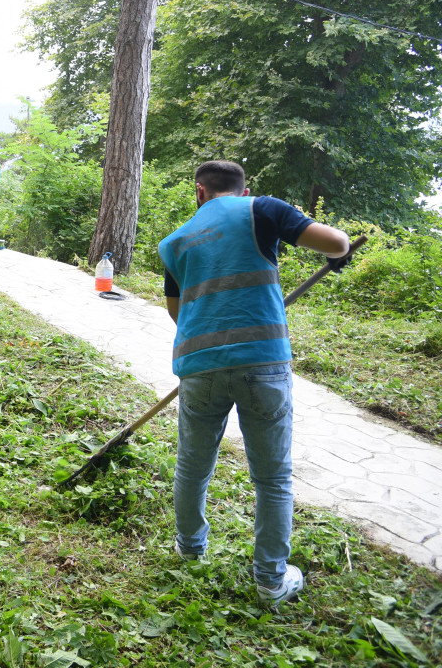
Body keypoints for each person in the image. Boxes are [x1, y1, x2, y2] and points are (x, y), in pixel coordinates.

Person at [159, 160, 350, 607]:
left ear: (200, 191)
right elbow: (337, 242)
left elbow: (176, 312)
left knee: (193, 466)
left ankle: (189, 549)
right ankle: (270, 580)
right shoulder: (261, 210)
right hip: (263, 365)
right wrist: (336, 256)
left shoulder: (176, 241)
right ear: (244, 191)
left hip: (199, 366)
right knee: (272, 477)